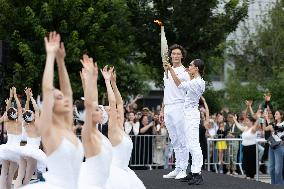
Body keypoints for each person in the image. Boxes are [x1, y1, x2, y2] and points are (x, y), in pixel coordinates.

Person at [21, 32, 84, 189]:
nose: (65, 99)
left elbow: (68, 92)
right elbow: (48, 89)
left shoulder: (67, 126)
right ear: (50, 104)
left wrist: (61, 61)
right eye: (58, 98)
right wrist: (50, 56)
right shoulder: (48, 128)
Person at [101, 66, 145, 189]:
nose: (115, 109)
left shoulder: (120, 127)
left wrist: (114, 83)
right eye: (110, 109)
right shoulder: (113, 130)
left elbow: (119, 103)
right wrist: (106, 81)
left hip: (125, 171)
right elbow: (114, 102)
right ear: (108, 116)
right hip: (115, 173)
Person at [165, 59, 205, 185]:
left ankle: (197, 173)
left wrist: (171, 70)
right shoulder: (195, 80)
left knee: (194, 144)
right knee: (188, 144)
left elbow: (179, 85)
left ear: (196, 68)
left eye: (191, 65)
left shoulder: (198, 82)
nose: (189, 67)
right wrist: (188, 73)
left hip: (192, 114)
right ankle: (193, 172)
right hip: (188, 114)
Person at [78, 54, 112, 189]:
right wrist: (89, 80)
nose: (100, 111)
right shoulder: (88, 131)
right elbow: (90, 101)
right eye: (96, 110)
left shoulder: (97, 132)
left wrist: (94, 78)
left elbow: (94, 101)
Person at [159, 44, 190, 179]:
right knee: (174, 140)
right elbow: (166, 92)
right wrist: (162, 109)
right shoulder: (165, 72)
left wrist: (171, 70)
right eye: (173, 54)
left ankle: (183, 169)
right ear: (170, 55)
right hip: (168, 107)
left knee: (182, 139)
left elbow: (181, 86)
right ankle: (177, 168)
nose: (176, 56)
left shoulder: (185, 72)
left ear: (182, 56)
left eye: (178, 54)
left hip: (179, 106)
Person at [14, 88, 46, 188]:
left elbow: (27, 111)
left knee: (20, 175)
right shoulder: (37, 125)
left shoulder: (25, 124)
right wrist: (31, 97)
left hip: (24, 150)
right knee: (27, 177)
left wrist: (28, 98)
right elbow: (36, 109)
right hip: (33, 152)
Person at [0, 87, 23, 189]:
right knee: (11, 174)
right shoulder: (19, 123)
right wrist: (14, 96)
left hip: (7, 148)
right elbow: (19, 108)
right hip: (15, 150)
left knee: (3, 172)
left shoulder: (7, 122)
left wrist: (10, 97)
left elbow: (8, 109)